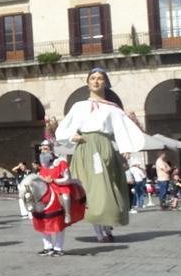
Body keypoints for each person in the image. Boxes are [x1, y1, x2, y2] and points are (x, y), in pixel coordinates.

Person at [55, 68, 145, 242]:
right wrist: (71, 136)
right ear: (88, 82)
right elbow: (63, 129)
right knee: (92, 189)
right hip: (85, 147)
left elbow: (122, 128)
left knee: (109, 187)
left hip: (105, 148)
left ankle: (107, 225)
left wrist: (125, 147)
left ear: (106, 82)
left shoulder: (113, 108)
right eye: (93, 78)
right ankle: (99, 231)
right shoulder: (79, 106)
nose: (96, 81)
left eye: (100, 78)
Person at [24, 152, 86, 256]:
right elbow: (40, 178)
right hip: (46, 187)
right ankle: (47, 247)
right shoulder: (43, 167)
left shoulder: (61, 163)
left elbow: (67, 178)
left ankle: (67, 214)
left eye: (46, 149)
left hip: (59, 186)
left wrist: (54, 180)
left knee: (65, 195)